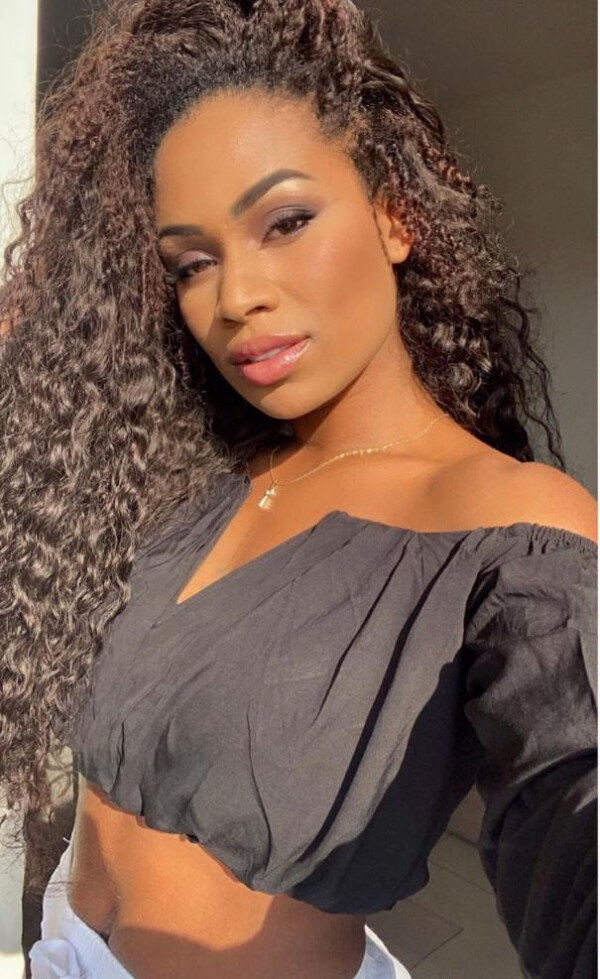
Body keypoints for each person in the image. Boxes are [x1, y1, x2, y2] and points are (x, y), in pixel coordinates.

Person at [0, 1, 596, 977]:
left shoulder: (510, 524)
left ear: (395, 216)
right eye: (192, 262)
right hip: (62, 940)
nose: (236, 297)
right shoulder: (199, 475)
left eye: (284, 222)